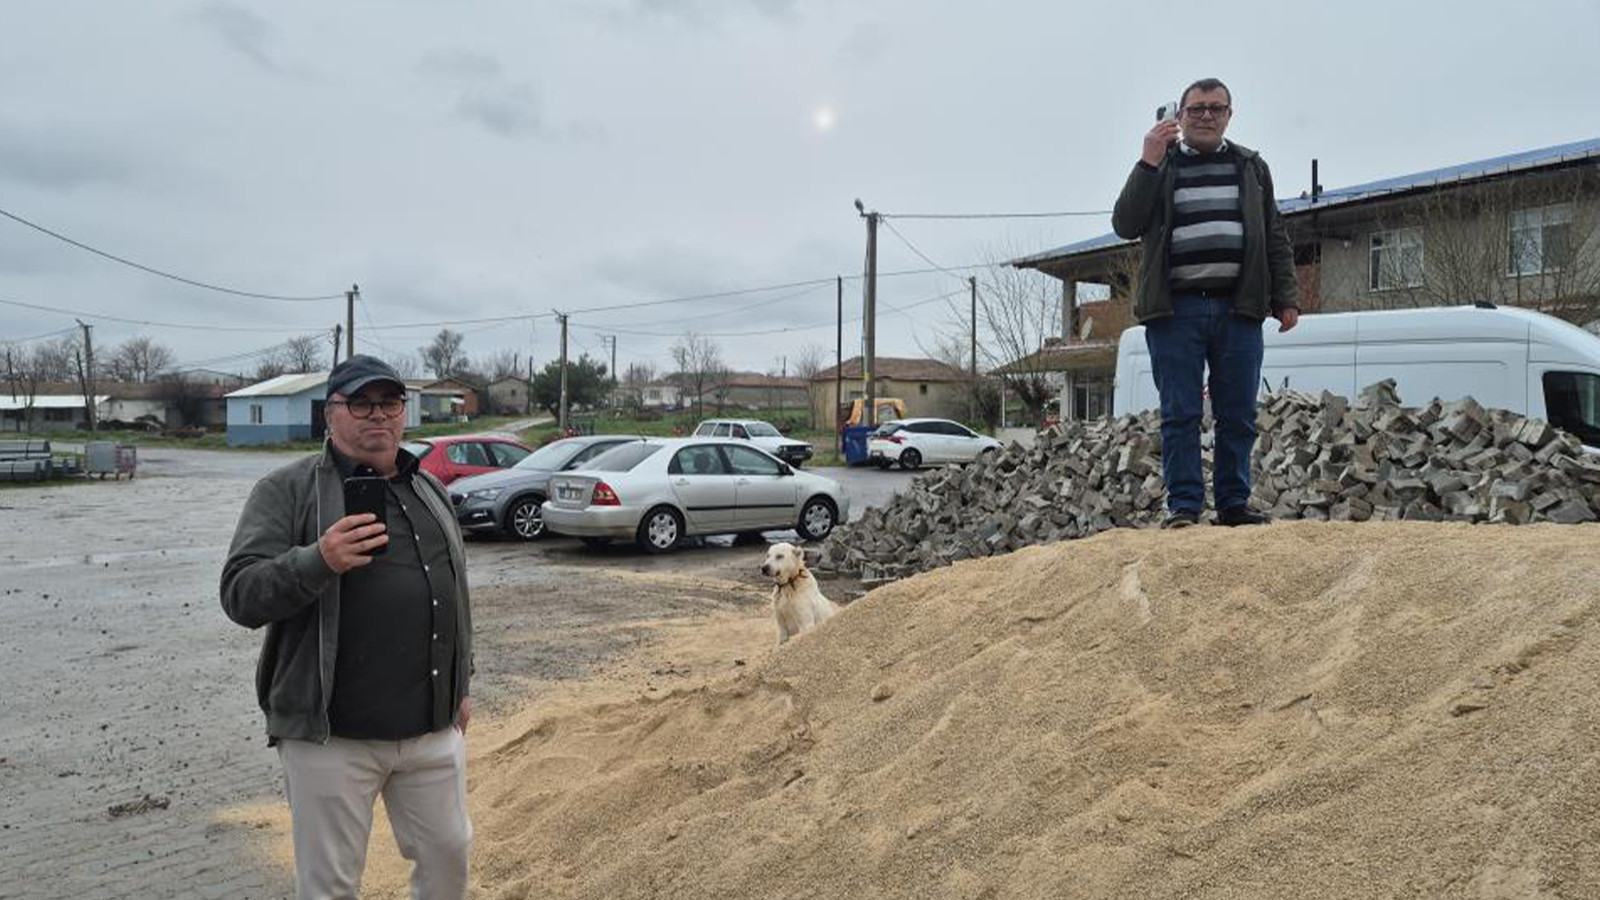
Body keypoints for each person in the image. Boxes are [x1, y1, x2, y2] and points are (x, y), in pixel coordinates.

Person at [221, 355, 474, 899]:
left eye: (389, 402)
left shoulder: (428, 491)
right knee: (331, 887)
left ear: (404, 413)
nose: (376, 415)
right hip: (332, 736)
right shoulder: (286, 490)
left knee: (448, 862)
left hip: (429, 730)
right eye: (360, 403)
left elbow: (454, 596)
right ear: (330, 413)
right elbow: (240, 595)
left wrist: (462, 684)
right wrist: (319, 560)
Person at [1112, 77, 1300, 529]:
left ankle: (1234, 504)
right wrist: (1148, 162)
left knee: (1238, 413)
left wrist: (1286, 297)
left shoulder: (1252, 167)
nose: (1206, 116)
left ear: (1229, 116)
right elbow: (1125, 223)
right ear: (1179, 115)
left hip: (1240, 308)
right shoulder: (1162, 166)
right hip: (1175, 311)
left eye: (1216, 108)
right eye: (1196, 109)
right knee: (1181, 414)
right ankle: (1184, 506)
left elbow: (1273, 234)